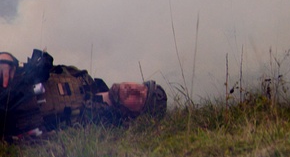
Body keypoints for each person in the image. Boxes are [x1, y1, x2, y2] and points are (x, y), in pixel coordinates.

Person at [0, 49, 167, 142]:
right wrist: (6, 59)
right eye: (141, 87)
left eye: (139, 99)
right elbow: (26, 68)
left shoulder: (100, 133)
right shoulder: (78, 76)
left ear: (134, 115)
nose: (134, 89)